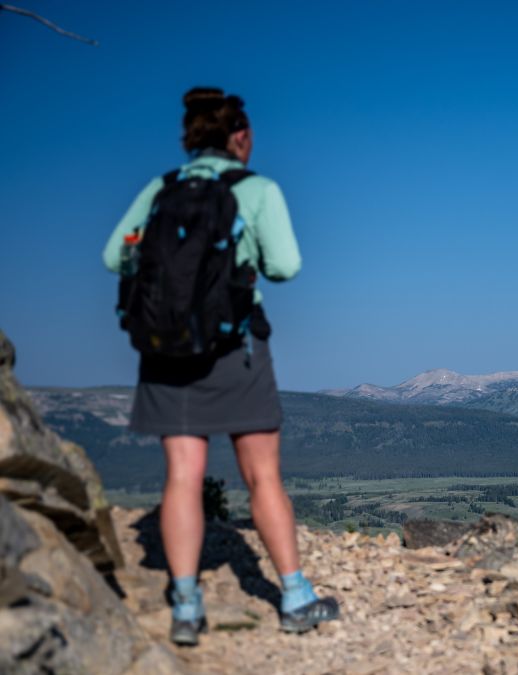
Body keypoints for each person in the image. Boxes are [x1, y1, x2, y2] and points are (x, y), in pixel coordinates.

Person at [102, 87, 338, 645]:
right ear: (240, 136)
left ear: (190, 138)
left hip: (164, 351)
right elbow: (285, 265)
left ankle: (186, 606)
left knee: (182, 475)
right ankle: (295, 596)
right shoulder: (255, 189)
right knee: (263, 475)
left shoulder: (162, 188)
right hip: (235, 347)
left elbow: (116, 255)